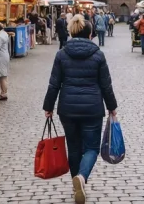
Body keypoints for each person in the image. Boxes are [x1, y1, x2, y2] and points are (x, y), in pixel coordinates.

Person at [43, 15, 118, 204]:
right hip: (92, 108)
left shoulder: (61, 54)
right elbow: (106, 85)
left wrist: (48, 106)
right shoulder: (98, 54)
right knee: (91, 147)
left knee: (74, 147)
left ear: (71, 32)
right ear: (90, 33)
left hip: (67, 108)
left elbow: (54, 84)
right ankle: (82, 178)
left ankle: (76, 181)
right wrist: (112, 107)